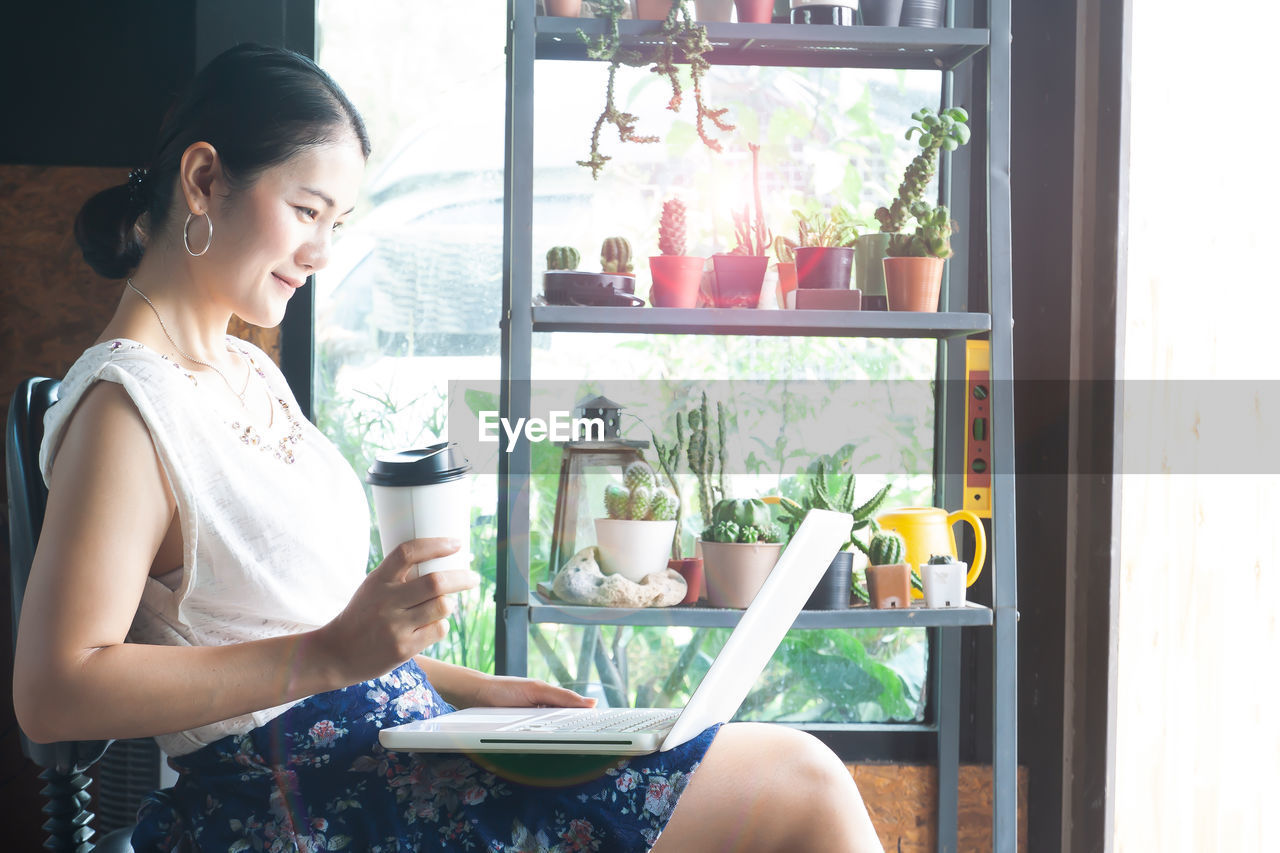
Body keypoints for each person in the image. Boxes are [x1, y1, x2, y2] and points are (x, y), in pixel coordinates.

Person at [12, 43, 883, 852]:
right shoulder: (127, 407)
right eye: (306, 209)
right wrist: (328, 659)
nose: (319, 250)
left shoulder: (246, 369)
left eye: (339, 223)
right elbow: (54, 691)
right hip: (301, 800)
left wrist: (483, 694)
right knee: (803, 784)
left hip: (398, 748)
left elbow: (306, 632)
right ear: (204, 179)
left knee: (780, 771)